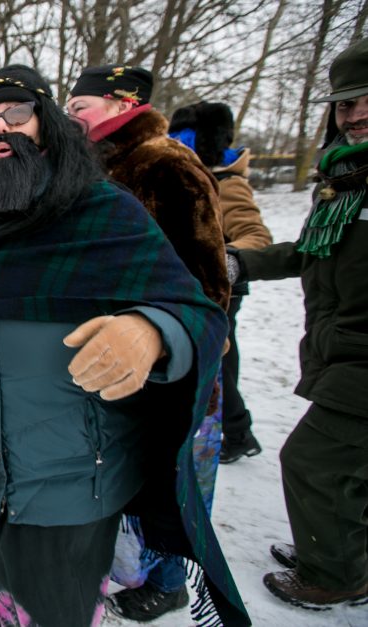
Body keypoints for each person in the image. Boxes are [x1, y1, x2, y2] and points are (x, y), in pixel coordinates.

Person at [0, 64, 247, 626]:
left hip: (71, 487)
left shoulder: (105, 213)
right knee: (3, 576)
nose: (0, 128)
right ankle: (1, 589)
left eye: (16, 114)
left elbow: (199, 313)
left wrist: (150, 331)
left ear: (46, 125)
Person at [67, 65, 230, 622]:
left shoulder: (167, 164)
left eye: (80, 106)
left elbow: (209, 281)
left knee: (176, 473)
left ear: (120, 105)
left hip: (172, 360)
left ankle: (168, 581)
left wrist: (168, 339)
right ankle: (130, 565)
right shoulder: (88, 167)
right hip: (109, 355)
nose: (71, 117)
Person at [231, 37, 368, 609]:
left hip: (359, 356)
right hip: (340, 346)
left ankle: (336, 574)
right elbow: (315, 252)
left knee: (313, 461)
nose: (356, 114)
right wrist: (238, 261)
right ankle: (337, 548)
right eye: (345, 104)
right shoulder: (347, 180)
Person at [169, 101, 273, 464]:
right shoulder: (179, 176)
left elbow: (256, 236)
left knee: (217, 362)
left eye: (184, 137)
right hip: (185, 288)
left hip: (218, 290)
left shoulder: (226, 183)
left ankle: (236, 432)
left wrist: (218, 262)